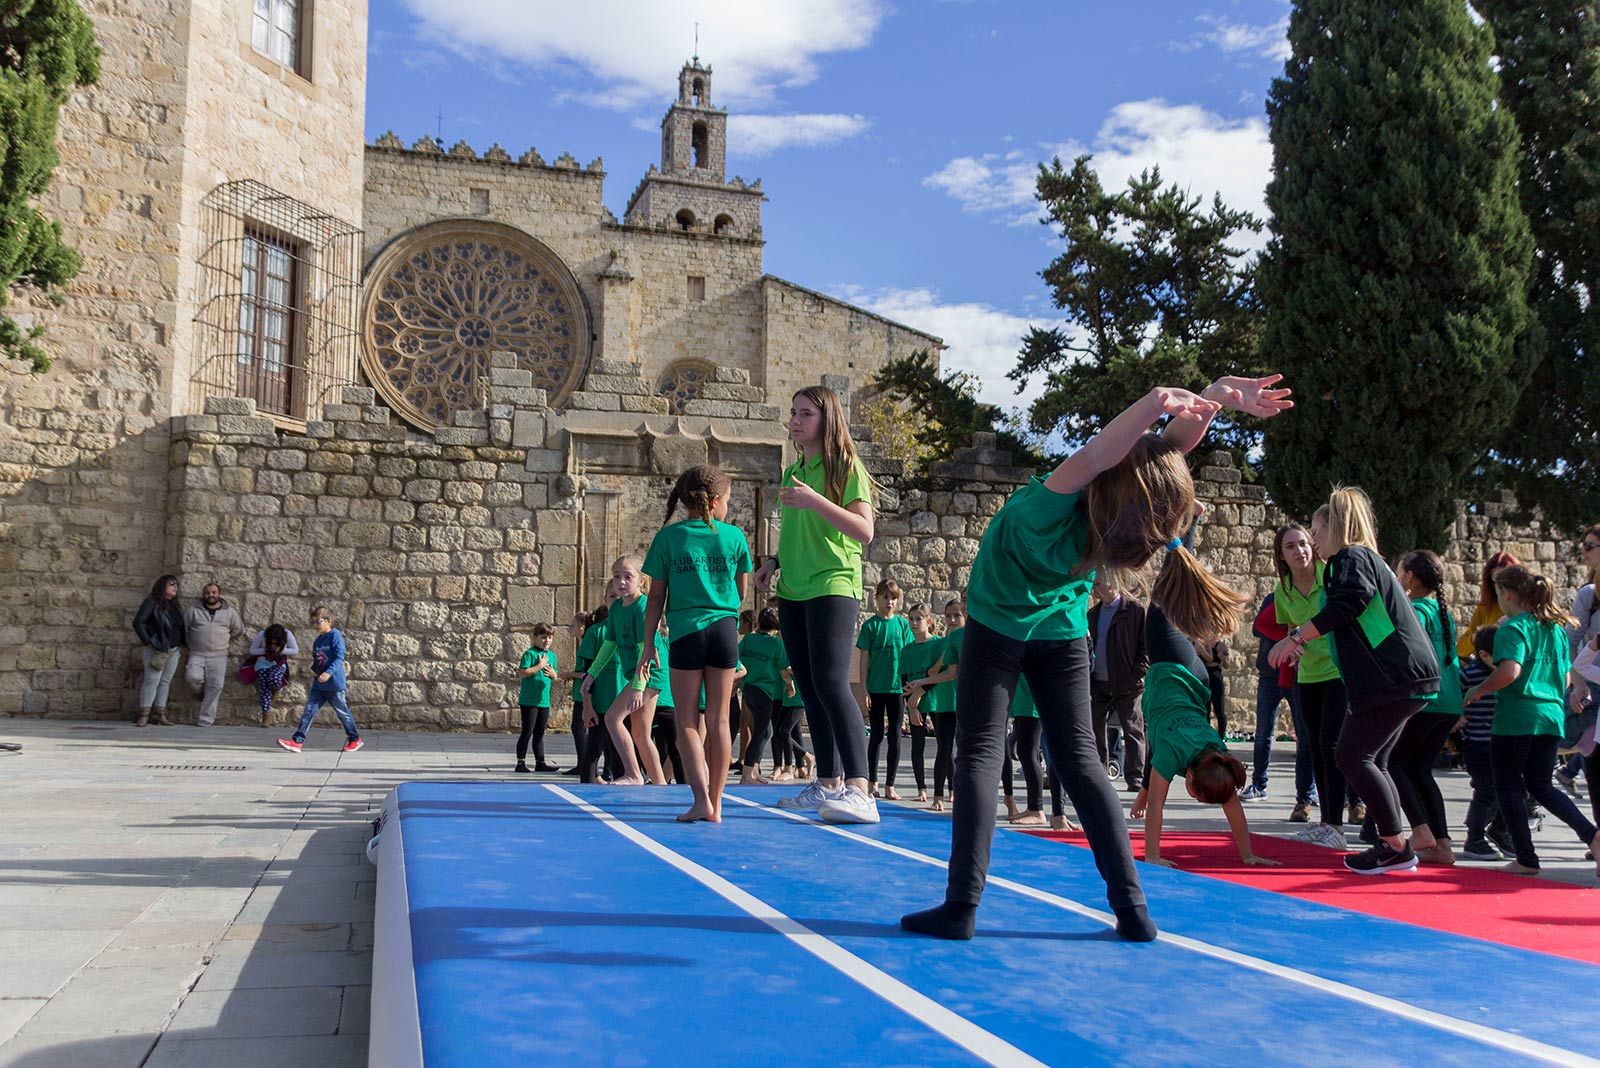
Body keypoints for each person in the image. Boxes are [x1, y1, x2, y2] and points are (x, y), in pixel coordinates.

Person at [901, 374, 1293, 942]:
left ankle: (962, 905)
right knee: (1082, 764)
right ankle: (1133, 911)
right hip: (1060, 634)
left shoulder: (1052, 503)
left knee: (981, 756)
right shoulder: (1113, 520)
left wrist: (1160, 401)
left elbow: (1105, 450)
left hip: (995, 627)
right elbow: (1162, 456)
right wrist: (1215, 397)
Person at [1268, 487, 1440, 875]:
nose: (1313, 539)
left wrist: (1296, 637)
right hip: (1401, 676)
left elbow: (1349, 604)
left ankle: (1396, 847)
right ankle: (1403, 839)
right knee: (1374, 758)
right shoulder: (1360, 560)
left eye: (1316, 528)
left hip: (1395, 676)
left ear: (1336, 526)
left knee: (1350, 755)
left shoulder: (1352, 557)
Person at [755, 386, 879, 824]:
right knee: (808, 688)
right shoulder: (793, 471)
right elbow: (799, 534)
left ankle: (861, 788)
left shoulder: (846, 467)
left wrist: (816, 499)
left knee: (831, 683)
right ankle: (826, 781)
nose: (795, 420)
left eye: (805, 413)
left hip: (833, 584)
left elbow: (864, 531)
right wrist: (774, 560)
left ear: (827, 420)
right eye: (793, 413)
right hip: (793, 590)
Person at [1128, 554, 1277, 869]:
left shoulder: (1217, 754)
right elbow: (1158, 806)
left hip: (1196, 678)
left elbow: (1232, 808)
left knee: (1175, 601)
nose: (1193, 796)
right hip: (1172, 666)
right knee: (1164, 594)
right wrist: (1152, 855)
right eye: (1196, 793)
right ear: (1191, 775)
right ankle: (1182, 538)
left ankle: (1185, 553)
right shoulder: (1176, 755)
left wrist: (1248, 855)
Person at [1466, 565, 1600, 876]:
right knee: (1541, 784)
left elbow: (1509, 672)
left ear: (1508, 594)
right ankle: (1591, 834)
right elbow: (1567, 674)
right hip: (1550, 715)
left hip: (1517, 717)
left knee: (1508, 785)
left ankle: (1526, 858)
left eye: (1498, 594)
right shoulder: (1553, 628)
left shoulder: (1513, 629)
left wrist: (1478, 689)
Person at [638, 464, 752, 822]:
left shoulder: (668, 539)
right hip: (723, 630)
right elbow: (742, 591)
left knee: (687, 720)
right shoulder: (733, 537)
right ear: (715, 501)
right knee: (719, 720)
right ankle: (717, 804)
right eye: (728, 502)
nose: (727, 509)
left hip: (686, 632)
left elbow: (655, 597)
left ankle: (700, 799)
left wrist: (648, 645)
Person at [1274, 521, 1351, 847]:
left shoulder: (1330, 576)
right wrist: (1294, 649)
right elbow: (1291, 629)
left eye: (1304, 543)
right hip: (1307, 676)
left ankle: (1337, 824)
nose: (1300, 550)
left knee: (1332, 746)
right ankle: (1326, 822)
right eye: (1291, 546)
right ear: (1281, 556)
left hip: (1338, 672)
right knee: (1315, 748)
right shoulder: (1283, 590)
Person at [1387, 550, 1463, 865]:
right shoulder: (1444, 614)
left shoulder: (1416, 610)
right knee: (1419, 768)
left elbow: (1407, 646)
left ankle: (1420, 830)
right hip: (1448, 700)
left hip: (1425, 699)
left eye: (1400, 570)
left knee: (1394, 762)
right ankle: (1441, 843)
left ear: (1410, 578)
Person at [581, 556, 670, 787]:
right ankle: (660, 784)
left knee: (612, 718)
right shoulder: (618, 609)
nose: (621, 581)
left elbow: (645, 650)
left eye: (628, 576)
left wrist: (638, 688)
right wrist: (591, 674)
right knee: (641, 733)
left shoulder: (643, 608)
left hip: (650, 674)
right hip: (638, 674)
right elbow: (609, 646)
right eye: (617, 576)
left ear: (641, 581)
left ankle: (633, 773)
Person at [1242, 591, 1314, 812]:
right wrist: (1288, 635)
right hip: (1270, 673)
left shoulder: (1310, 601)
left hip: (1296, 674)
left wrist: (1296, 636)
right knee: (1263, 732)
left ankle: (1308, 792)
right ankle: (1258, 783)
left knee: (1305, 735)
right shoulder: (1275, 597)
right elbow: (1257, 627)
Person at [1087, 572, 1148, 792]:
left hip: (1127, 682)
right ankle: (1099, 773)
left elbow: (1145, 646)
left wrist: (1137, 673)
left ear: (1113, 583)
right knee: (1095, 728)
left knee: (1133, 729)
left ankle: (1136, 778)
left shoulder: (1134, 611)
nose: (1095, 589)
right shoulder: (1093, 614)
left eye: (1098, 584)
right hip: (1098, 681)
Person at [906, 599, 966, 813]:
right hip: (945, 700)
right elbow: (934, 672)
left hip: (967, 700)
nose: (951, 620)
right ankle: (938, 795)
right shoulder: (944, 642)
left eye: (956, 615)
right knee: (944, 748)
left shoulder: (971, 638)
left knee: (966, 751)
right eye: (948, 615)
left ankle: (959, 791)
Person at [277, 606, 362, 753]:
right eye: (314, 622)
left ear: (328, 621)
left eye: (318, 621)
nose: (316, 625)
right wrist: (317, 673)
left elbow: (339, 657)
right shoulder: (317, 641)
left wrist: (328, 673)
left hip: (334, 683)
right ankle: (297, 741)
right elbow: (318, 660)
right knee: (309, 711)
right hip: (319, 684)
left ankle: (354, 739)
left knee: (343, 712)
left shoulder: (335, 636)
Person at [858, 578, 914, 800]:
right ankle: (873, 781)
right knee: (877, 736)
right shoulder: (870, 626)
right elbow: (864, 660)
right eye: (885, 597)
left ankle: (891, 784)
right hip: (876, 688)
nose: (889, 602)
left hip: (898, 689)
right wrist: (863, 689)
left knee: (896, 737)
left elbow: (909, 655)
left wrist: (911, 688)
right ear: (877, 599)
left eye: (893, 598)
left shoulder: (902, 625)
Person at [1458, 625, 1506, 861]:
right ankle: (1474, 839)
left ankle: (1494, 829)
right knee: (1486, 790)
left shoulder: (1504, 673)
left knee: (1504, 789)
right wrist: (1458, 714)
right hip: (1476, 743)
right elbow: (1451, 692)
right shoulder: (1470, 674)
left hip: (1498, 741)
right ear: (1485, 655)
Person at [738, 606, 790, 783]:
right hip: (764, 692)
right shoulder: (777, 644)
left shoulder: (748, 639)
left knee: (766, 731)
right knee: (761, 732)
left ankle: (753, 770)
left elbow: (735, 659)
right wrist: (791, 685)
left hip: (748, 690)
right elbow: (783, 671)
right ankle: (747, 773)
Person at [181, 582, 245, 727]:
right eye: (208, 592)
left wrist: (223, 638)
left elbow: (238, 629)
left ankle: (206, 719)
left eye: (214, 592)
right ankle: (199, 691)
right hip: (197, 654)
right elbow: (184, 628)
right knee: (192, 677)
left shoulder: (229, 612)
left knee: (216, 686)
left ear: (219, 594)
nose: (211, 595)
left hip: (219, 655)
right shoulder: (193, 610)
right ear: (204, 594)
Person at [900, 603, 941, 803]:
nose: (914, 623)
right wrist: (911, 706)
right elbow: (904, 681)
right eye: (911, 619)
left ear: (928, 621)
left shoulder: (937, 644)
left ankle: (947, 789)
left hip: (937, 700)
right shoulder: (906, 650)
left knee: (945, 746)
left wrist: (921, 692)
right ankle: (921, 788)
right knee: (917, 746)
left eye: (919, 619)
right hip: (916, 705)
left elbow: (939, 674)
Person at [131, 574, 185, 727]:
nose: (175, 587)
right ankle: (144, 714)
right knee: (151, 681)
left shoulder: (175, 605)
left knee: (165, 682)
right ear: (162, 586)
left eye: (176, 585)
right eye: (171, 584)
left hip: (173, 650)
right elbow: (138, 622)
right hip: (157, 649)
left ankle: (159, 713)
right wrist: (148, 642)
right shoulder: (152, 602)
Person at [560, 606, 607, 777]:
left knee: (583, 729)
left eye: (572, 625)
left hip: (592, 691)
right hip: (587, 691)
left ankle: (586, 765)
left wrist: (570, 674)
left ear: (581, 626)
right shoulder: (592, 637)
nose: (569, 629)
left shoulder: (593, 635)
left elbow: (588, 671)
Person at [514, 622, 560, 773]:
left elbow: (554, 675)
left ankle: (540, 762)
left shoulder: (552, 656)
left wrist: (554, 676)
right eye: (543, 637)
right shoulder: (530, 654)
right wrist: (539, 666)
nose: (547, 641)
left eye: (549, 638)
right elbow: (522, 673)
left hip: (543, 701)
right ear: (535, 638)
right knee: (527, 731)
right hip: (529, 701)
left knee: (540, 733)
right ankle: (520, 762)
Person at [1000, 676, 1046, 825]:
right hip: (1022, 701)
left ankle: (1037, 809)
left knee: (1029, 753)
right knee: (1024, 752)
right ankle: (1032, 807)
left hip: (1030, 702)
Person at [1459, 551, 1521, 659]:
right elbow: (1461, 649)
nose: (1501, 586)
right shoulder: (1486, 608)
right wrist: (1479, 637)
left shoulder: (1528, 608)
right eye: (1496, 580)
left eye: (1506, 580)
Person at [247, 623, 298, 725]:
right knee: (264, 688)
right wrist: (266, 650)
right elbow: (252, 650)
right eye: (272, 641)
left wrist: (282, 650)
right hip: (262, 664)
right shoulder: (262, 635)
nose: (274, 643)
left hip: (278, 663)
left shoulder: (287, 634)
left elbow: (295, 650)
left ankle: (276, 690)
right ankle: (266, 716)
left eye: (276, 642)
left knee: (274, 679)